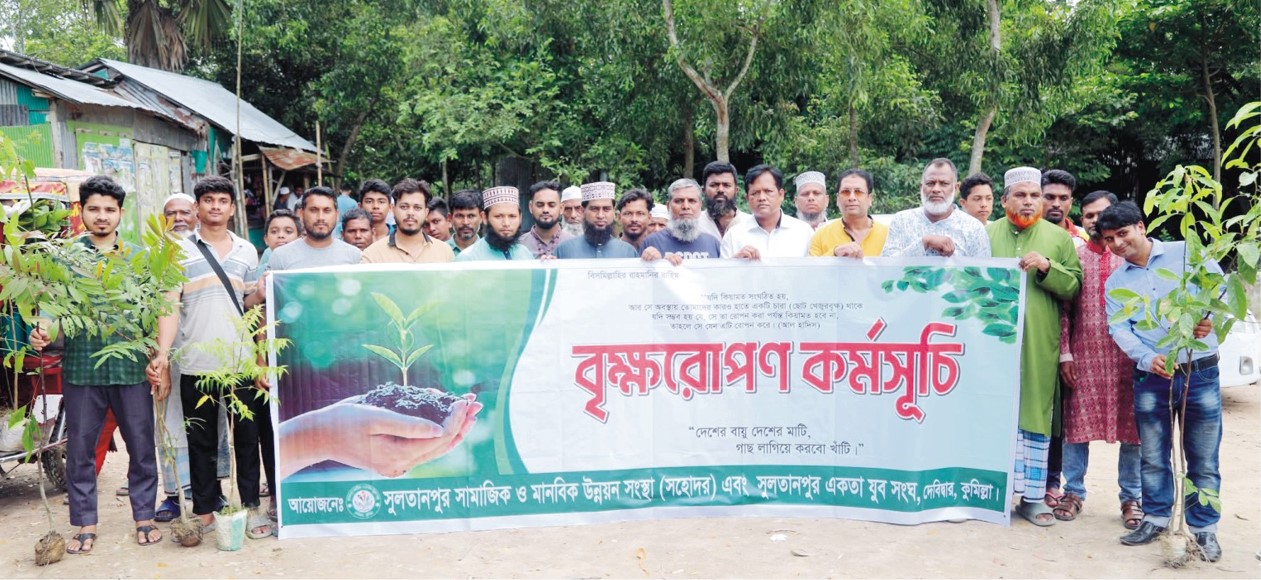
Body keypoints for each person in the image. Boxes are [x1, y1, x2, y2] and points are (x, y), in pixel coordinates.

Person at [29, 175, 163, 553]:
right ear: (82, 211)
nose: (102, 216)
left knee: (141, 445)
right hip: (82, 368)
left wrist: (157, 355)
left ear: (121, 213)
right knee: (81, 449)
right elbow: (51, 305)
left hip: (131, 369)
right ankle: (85, 523)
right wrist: (42, 331)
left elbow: (153, 310)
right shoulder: (63, 257)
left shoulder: (139, 257)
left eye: (109, 209)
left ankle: (144, 516)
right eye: (94, 209)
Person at [1100, 201, 1225, 562]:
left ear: (1141, 227)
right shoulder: (1117, 282)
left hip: (1199, 371)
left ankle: (1204, 529)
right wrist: (1146, 357)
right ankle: (1155, 519)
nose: (1117, 244)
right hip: (1152, 376)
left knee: (1203, 457)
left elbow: (1218, 292)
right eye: (1109, 239)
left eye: (1123, 233)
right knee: (1153, 455)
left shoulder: (1186, 254)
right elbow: (1119, 328)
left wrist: (1209, 320)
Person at [148, 176, 270, 539]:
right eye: (208, 200)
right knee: (200, 441)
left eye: (222, 201)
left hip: (240, 361)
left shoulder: (247, 250)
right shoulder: (176, 250)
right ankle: (203, 511)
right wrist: (163, 356)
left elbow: (251, 307)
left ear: (232, 208)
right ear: (197, 207)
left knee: (246, 440)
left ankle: (251, 507)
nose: (215, 206)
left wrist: (261, 356)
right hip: (196, 362)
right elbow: (169, 305)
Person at [987, 166, 1082, 527]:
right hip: (992, 342)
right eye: (1020, 195)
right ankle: (992, 494)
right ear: (1004, 200)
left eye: (1034, 196)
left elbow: (1074, 286)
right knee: (994, 411)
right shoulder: (986, 233)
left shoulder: (1058, 239)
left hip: (1040, 342)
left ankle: (1032, 498)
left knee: (1036, 413)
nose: (1028, 202)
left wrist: (1047, 267)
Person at [1054, 190, 1142, 528]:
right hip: (1084, 356)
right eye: (1088, 216)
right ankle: (1073, 492)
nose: (1095, 221)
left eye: (1101, 214)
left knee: (1133, 430)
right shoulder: (1075, 257)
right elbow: (1064, 311)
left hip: (1128, 358)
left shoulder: (1131, 257)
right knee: (1076, 427)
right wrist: (1065, 354)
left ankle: (1131, 497)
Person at [881, 158, 991, 257]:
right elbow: (886, 266)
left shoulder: (973, 228)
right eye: (930, 183)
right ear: (921, 188)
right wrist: (924, 243)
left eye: (944, 183)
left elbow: (982, 271)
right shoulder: (902, 221)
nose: (936, 189)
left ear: (956, 188)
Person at [720, 165, 813, 259]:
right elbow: (723, 268)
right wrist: (735, 261)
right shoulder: (733, 236)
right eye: (755, 193)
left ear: (781, 195)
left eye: (768, 191)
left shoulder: (803, 232)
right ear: (747, 198)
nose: (762, 198)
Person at [262, 186, 362, 273]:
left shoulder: (355, 256)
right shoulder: (280, 257)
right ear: (301, 214)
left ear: (337, 215)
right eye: (313, 210)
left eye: (327, 211)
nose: (320, 217)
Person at [361, 179, 455, 264]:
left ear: (426, 212)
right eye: (404, 207)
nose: (410, 213)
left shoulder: (444, 252)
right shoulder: (372, 255)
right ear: (393, 209)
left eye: (417, 208)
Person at [808, 168, 888, 258]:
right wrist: (834, 253)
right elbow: (812, 266)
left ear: (870, 199)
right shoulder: (820, 236)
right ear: (837, 199)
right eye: (845, 192)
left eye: (858, 192)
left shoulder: (888, 235)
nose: (851, 197)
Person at [641, 178, 722, 264]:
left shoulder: (713, 243)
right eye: (679, 201)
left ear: (700, 206)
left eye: (691, 201)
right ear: (668, 207)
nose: (686, 206)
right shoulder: (651, 242)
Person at [555, 182, 640, 259]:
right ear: (583, 211)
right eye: (594, 209)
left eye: (606, 209)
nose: (600, 215)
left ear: (613, 211)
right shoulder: (563, 250)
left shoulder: (628, 252)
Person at [455, 186, 534, 261]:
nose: (506, 223)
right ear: (484, 218)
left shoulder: (525, 254)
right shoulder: (468, 258)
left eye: (512, 216)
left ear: (520, 218)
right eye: (498, 216)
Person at [518, 181, 573, 258]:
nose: (545, 210)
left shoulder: (574, 244)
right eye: (540, 205)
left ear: (561, 208)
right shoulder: (519, 245)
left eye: (551, 205)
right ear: (531, 207)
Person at [698, 161, 750, 240]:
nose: (720, 190)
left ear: (736, 190)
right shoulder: (695, 224)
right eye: (713, 185)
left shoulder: (750, 223)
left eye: (726, 185)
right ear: (703, 190)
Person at [1042, 169, 1089, 247]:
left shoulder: (1086, 239)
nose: (1056, 204)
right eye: (1050, 197)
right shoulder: (1024, 234)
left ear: (1070, 202)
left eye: (1063, 198)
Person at [255, 209, 301, 274]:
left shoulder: (306, 267)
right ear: (266, 239)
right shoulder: (261, 273)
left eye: (288, 231)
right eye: (274, 231)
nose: (281, 235)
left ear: (299, 238)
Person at [616, 188, 654, 252]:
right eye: (628, 214)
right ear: (619, 217)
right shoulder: (608, 252)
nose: (634, 219)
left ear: (649, 218)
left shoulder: (660, 250)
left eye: (640, 214)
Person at [447, 190, 483, 256]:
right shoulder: (440, 251)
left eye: (471, 216)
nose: (465, 222)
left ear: (481, 217)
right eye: (460, 216)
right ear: (450, 218)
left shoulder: (490, 251)